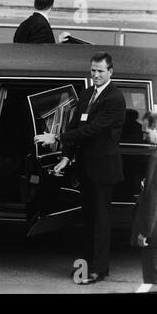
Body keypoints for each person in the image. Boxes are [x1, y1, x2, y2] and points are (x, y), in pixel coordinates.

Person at [34, 52, 126, 284]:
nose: (95, 75)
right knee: (88, 218)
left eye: (100, 71)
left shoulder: (115, 98)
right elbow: (76, 126)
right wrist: (66, 157)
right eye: (93, 70)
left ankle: (97, 269)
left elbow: (93, 130)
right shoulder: (87, 94)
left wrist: (55, 136)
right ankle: (89, 265)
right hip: (85, 168)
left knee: (100, 221)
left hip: (104, 169)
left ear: (110, 72)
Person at [131, 111, 157, 286]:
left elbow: (153, 200)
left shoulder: (155, 157)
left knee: (152, 280)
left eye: (146, 132)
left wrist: (145, 232)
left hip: (154, 234)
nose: (144, 137)